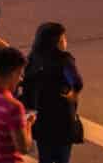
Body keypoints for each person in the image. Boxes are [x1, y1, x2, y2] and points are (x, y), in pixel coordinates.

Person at [19, 22, 83, 163]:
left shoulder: (33, 57)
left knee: (45, 157)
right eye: (63, 38)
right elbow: (77, 81)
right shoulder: (63, 60)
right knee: (62, 158)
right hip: (62, 120)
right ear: (57, 42)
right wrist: (73, 93)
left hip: (41, 120)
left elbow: (26, 85)